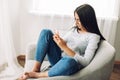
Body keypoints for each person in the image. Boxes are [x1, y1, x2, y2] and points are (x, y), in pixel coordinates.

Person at [19, 4, 105, 80]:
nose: (76, 22)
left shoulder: (93, 37)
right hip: (58, 59)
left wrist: (65, 47)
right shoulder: (74, 29)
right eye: (75, 19)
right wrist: (58, 39)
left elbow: (86, 62)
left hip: (69, 64)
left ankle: (39, 75)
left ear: (87, 19)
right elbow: (64, 41)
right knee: (46, 32)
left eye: (78, 20)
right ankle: (36, 69)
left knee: (69, 61)